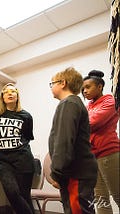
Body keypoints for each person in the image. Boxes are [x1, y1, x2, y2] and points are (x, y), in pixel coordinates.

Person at [48, 67, 98, 214]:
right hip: (80, 172)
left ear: (62, 83)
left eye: (52, 83)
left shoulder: (68, 104)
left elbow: (64, 142)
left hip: (75, 174)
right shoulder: (74, 103)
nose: (51, 87)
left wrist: (57, 173)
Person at [0, 83, 35, 214]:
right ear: (2, 96)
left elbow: (27, 137)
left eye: (13, 91)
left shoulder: (26, 116)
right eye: (6, 92)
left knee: (25, 197)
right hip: (4, 161)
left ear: (17, 96)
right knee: (12, 193)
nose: (10, 93)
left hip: (23, 160)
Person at [82, 70, 119, 214]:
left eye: (88, 87)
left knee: (118, 195)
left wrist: (79, 123)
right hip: (93, 157)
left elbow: (91, 123)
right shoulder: (89, 106)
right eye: (83, 88)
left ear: (99, 87)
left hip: (109, 154)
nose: (85, 91)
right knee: (100, 199)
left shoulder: (110, 101)